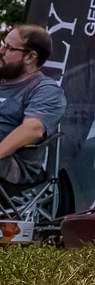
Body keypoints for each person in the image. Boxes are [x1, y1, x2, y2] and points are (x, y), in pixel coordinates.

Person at [0, 24, 65, 185]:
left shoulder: (45, 90)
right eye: (2, 44)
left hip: (12, 164)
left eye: (9, 48)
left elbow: (32, 129)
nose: (1, 51)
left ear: (30, 57)